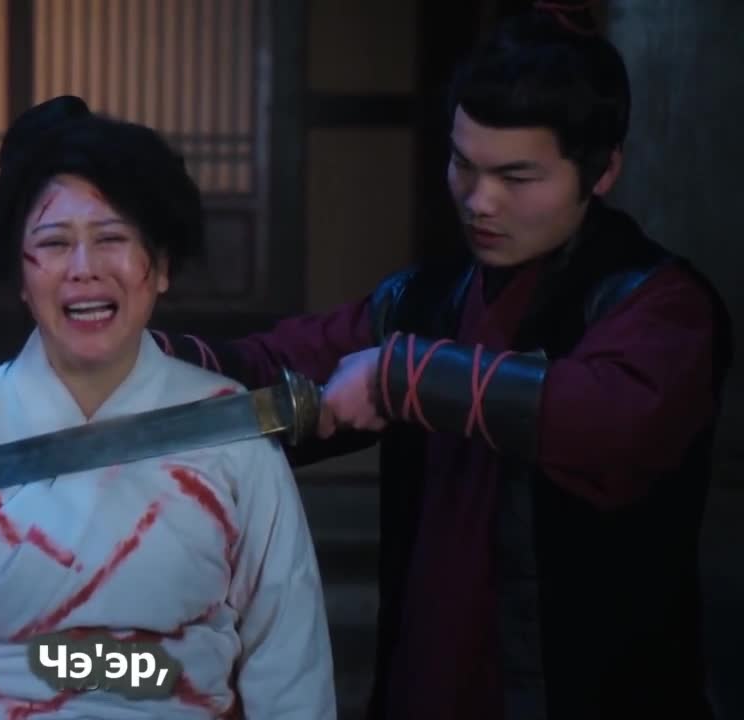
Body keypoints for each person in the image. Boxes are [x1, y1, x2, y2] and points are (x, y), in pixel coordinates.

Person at [153, 8, 733, 720]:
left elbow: (610, 420)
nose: (479, 201)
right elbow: (277, 363)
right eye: (464, 164)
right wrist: (145, 359)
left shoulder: (658, 304)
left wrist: (401, 376)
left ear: (603, 169)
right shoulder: (426, 298)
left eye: (517, 176)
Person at [0, 96, 338, 719]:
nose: (84, 269)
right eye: (55, 242)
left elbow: (290, 666)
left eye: (112, 238)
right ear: (21, 276)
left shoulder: (233, 431)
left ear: (161, 265)